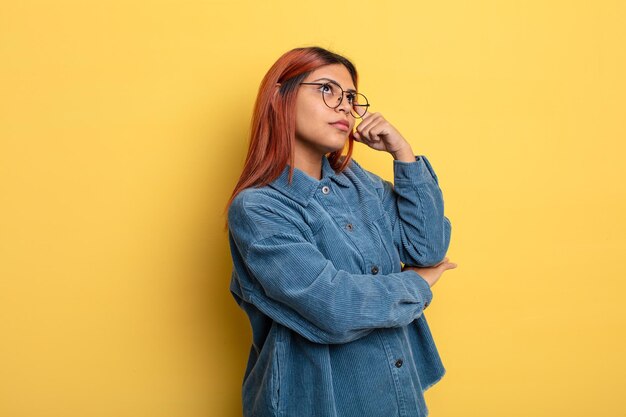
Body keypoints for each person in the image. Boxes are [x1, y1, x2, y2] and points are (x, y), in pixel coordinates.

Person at [224, 46, 457, 417]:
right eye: (327, 90)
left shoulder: (359, 185)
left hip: (397, 395)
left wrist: (404, 156)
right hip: (315, 404)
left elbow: (426, 249)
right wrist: (418, 284)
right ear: (279, 97)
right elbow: (334, 307)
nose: (345, 107)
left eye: (350, 96)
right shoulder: (258, 210)